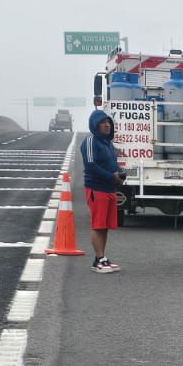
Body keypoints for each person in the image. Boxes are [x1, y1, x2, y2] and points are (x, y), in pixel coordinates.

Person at [80, 110, 126, 273]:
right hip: (96, 188)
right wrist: (111, 177)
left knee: (105, 226)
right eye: (102, 122)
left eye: (108, 122)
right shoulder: (90, 141)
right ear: (95, 125)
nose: (107, 125)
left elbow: (113, 163)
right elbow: (91, 166)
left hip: (109, 189)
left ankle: (101, 258)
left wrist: (120, 173)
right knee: (98, 225)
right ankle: (99, 260)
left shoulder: (108, 143)